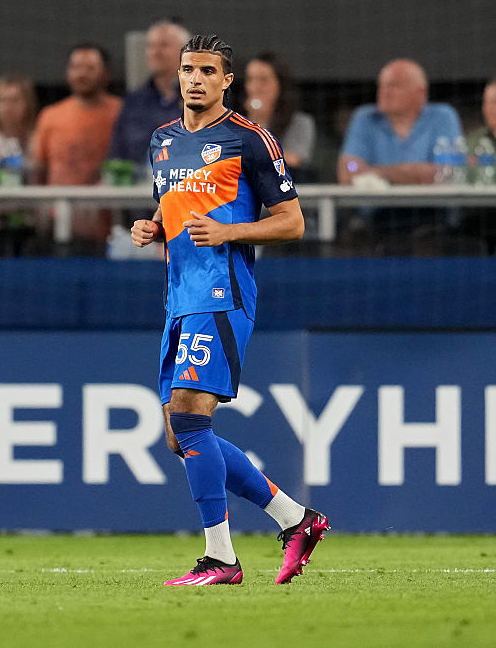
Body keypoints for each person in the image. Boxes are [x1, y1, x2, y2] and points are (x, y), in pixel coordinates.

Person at [131, 34, 328, 587]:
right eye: (187, 70)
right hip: (178, 296)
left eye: (206, 71)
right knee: (180, 435)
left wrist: (229, 232)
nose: (195, 79)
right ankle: (296, 519)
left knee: (190, 419)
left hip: (222, 293)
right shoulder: (162, 141)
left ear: (226, 80)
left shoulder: (249, 140)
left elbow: (293, 222)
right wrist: (154, 226)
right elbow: (175, 203)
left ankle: (220, 558)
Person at [31, 43, 122, 244]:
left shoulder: (121, 113)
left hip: (109, 227)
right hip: (58, 223)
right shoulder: (50, 116)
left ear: (106, 74)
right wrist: (40, 216)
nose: (81, 74)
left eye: (90, 68)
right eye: (76, 67)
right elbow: (39, 170)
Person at [337, 58, 462, 184]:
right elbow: (349, 167)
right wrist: (355, 168)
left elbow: (447, 173)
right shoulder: (364, 118)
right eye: (381, 86)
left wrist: (375, 173)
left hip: (431, 198)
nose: (384, 92)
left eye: (394, 86)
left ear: (420, 92)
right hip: (377, 197)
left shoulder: (443, 117)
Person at [105, 20, 190, 182]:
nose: (155, 52)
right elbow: (117, 155)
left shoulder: (205, 99)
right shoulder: (133, 102)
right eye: (151, 46)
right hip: (140, 194)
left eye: (164, 45)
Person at [241, 51, 316, 179]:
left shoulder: (300, 122)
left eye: (263, 80)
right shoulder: (237, 121)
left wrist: (261, 121)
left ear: (280, 84)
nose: (255, 87)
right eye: (250, 79)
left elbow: (294, 160)